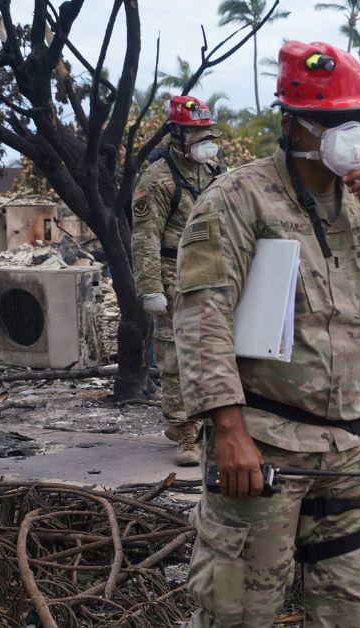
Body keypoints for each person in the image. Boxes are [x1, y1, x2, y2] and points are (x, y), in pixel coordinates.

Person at [173, 41, 360, 627]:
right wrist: (227, 428)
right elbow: (203, 318)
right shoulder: (236, 199)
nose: (349, 133)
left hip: (349, 449)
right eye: (331, 121)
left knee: (350, 613)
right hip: (263, 447)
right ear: (292, 126)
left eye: (358, 120)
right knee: (239, 611)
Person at [131, 94, 224, 466]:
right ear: (177, 133)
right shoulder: (156, 178)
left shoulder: (214, 170)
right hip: (172, 274)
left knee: (214, 351)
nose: (204, 139)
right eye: (197, 133)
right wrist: (151, 288)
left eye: (207, 132)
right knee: (176, 358)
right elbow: (145, 237)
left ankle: (209, 425)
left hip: (213, 271)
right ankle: (184, 431)